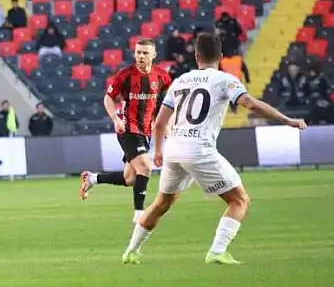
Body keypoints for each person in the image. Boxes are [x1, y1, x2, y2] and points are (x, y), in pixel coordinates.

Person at [122, 33, 307, 265]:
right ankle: (217, 251)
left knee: (161, 203)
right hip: (198, 149)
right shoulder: (224, 80)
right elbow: (249, 103)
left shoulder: (180, 80)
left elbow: (159, 123)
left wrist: (158, 151)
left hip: (173, 149)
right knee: (239, 201)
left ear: (196, 56)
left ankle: (131, 251)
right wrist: (286, 120)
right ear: (220, 57)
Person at [80, 39, 172, 225]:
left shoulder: (162, 76)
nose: (141, 56)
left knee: (130, 178)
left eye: (145, 53)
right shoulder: (125, 75)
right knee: (145, 167)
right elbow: (108, 98)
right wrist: (115, 119)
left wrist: (165, 122)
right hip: (128, 128)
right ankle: (139, 214)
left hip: (145, 131)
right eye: (138, 52)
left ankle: (92, 178)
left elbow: (165, 100)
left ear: (153, 55)